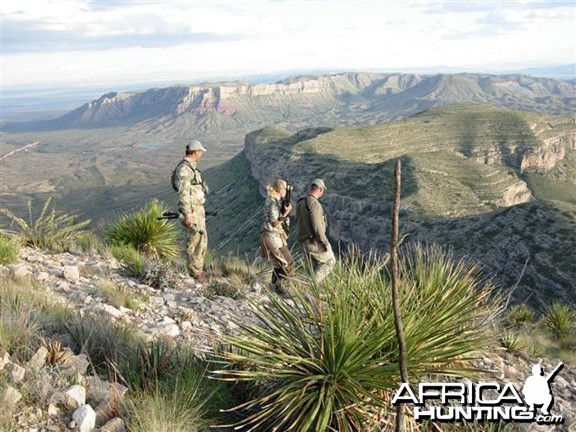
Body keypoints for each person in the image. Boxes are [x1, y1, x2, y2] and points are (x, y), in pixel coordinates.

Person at [174, 140, 209, 281]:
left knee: (202, 239)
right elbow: (183, 194)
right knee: (194, 241)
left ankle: (198, 270)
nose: (201, 154)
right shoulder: (184, 170)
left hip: (197, 209)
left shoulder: (191, 168)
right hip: (192, 211)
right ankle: (195, 273)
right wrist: (188, 214)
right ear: (195, 152)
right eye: (200, 151)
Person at [296, 178, 335, 283]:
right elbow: (317, 226)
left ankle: (305, 291)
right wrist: (324, 242)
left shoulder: (301, 202)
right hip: (313, 242)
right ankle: (311, 285)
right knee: (329, 261)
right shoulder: (314, 204)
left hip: (303, 240)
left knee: (311, 270)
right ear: (321, 190)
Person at [260, 179, 296, 292]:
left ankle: (274, 288)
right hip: (273, 236)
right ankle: (287, 289)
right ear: (280, 189)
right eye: (284, 189)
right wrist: (286, 213)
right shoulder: (272, 202)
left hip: (272, 235)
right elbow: (275, 222)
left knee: (278, 265)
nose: (285, 191)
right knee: (288, 262)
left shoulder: (273, 200)